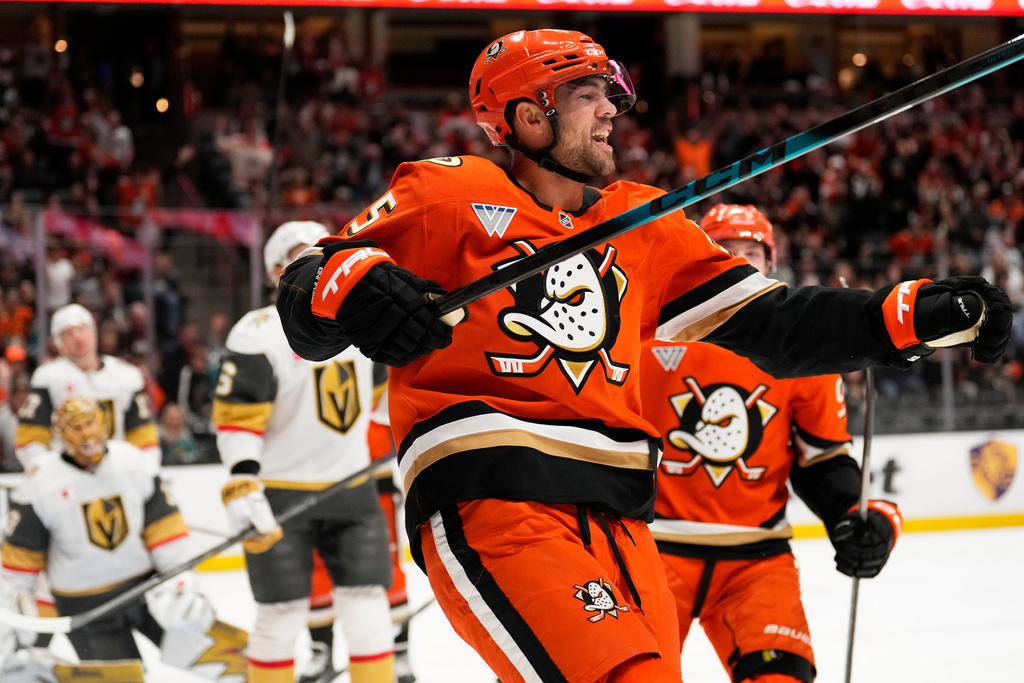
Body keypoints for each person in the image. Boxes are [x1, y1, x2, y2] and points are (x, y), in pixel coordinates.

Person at [274, 29, 1011, 683]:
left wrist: (917, 314)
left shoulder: (643, 222)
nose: (610, 111)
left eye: (610, 95)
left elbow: (781, 325)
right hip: (496, 499)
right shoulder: (446, 194)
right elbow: (310, 286)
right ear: (530, 116)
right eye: (589, 94)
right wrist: (354, 284)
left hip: (625, 524)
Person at [643, 204, 903, 683]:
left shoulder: (803, 353)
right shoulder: (648, 331)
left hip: (756, 560)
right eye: (723, 252)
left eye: (751, 254)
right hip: (647, 551)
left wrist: (852, 513)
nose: (739, 264)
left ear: (770, 265)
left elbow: (821, 457)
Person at [212, 221, 395, 683]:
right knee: (280, 615)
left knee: (367, 607)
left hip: (351, 487)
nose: (318, 263)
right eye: (301, 255)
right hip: (280, 494)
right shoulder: (258, 332)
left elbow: (385, 401)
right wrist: (241, 479)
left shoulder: (361, 319)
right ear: (277, 271)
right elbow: (238, 418)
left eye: (324, 252)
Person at [0, 397, 246, 682]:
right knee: (123, 679)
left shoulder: (131, 461)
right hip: (87, 605)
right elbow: (21, 557)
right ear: (61, 433)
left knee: (225, 659)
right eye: (76, 427)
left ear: (102, 422)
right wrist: (18, 606)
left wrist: (179, 582)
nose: (85, 433)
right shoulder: (40, 482)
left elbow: (163, 527)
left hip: (145, 591)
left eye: (89, 423)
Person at [15, 303, 161, 470]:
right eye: (68, 334)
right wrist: (44, 472)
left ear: (94, 332)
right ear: (58, 343)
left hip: (116, 471)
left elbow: (143, 434)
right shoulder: (48, 377)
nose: (77, 337)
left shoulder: (126, 375)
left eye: (82, 329)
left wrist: (147, 471)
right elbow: (30, 437)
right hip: (67, 474)